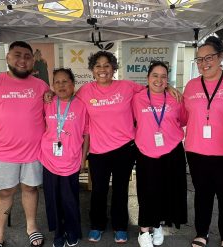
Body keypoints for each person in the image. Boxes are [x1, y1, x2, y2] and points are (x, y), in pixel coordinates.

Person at [74, 51, 181, 244]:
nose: (102, 69)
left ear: (114, 68)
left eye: (107, 65)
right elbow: (68, 101)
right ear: (92, 70)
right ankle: (97, 225)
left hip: (125, 148)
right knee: (98, 190)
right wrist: (49, 95)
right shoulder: (85, 91)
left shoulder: (126, 86)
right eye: (98, 65)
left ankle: (120, 226)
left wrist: (170, 87)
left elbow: (154, 86)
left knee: (121, 190)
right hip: (98, 151)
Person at [0, 41, 49, 247]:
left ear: (33, 60)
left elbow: (51, 115)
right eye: (17, 55)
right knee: (4, 192)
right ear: (7, 58)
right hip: (4, 153)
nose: (22, 60)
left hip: (34, 152)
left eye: (27, 56)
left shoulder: (41, 86)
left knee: (31, 189)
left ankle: (32, 227)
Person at [183, 36, 223, 247]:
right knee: (202, 195)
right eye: (199, 59)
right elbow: (183, 114)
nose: (203, 63)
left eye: (208, 57)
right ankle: (201, 233)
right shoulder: (191, 86)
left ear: (220, 57)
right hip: (195, 150)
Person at [133, 61, 187, 247]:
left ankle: (158, 225)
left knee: (165, 192)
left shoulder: (176, 99)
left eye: (164, 76)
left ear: (168, 80)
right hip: (145, 152)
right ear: (147, 78)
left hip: (172, 152)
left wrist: (171, 88)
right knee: (147, 192)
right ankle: (144, 231)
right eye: (155, 75)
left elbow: (182, 121)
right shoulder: (136, 98)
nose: (159, 80)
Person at [38, 68, 89, 247]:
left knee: (69, 199)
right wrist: (47, 94)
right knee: (53, 199)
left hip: (71, 160)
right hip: (49, 159)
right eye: (57, 82)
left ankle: (72, 231)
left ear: (73, 84)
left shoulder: (82, 105)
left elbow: (86, 134)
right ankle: (58, 233)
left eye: (65, 81)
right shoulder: (47, 102)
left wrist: (83, 159)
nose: (61, 85)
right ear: (52, 85)